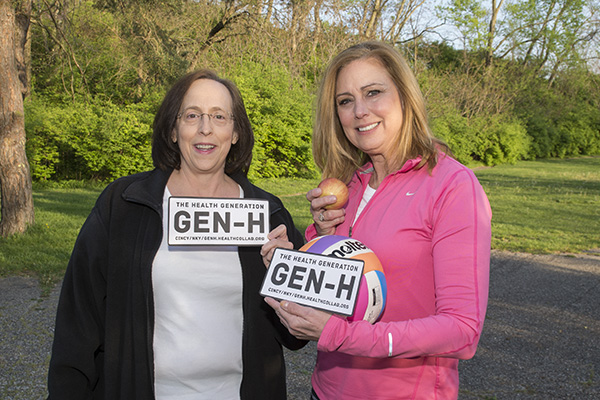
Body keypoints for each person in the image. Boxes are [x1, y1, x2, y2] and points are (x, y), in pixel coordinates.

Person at [48, 69, 307, 399]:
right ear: (173, 129)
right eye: (192, 115)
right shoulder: (125, 204)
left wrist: (284, 273)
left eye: (219, 116)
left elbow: (296, 335)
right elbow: (78, 318)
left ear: (236, 132)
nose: (205, 128)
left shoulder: (269, 215)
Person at [265, 41, 492, 399]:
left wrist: (341, 335)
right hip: (324, 391)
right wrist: (293, 257)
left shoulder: (452, 185)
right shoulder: (348, 185)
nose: (359, 111)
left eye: (373, 92)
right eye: (345, 101)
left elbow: (462, 330)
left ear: (405, 96)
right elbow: (334, 301)